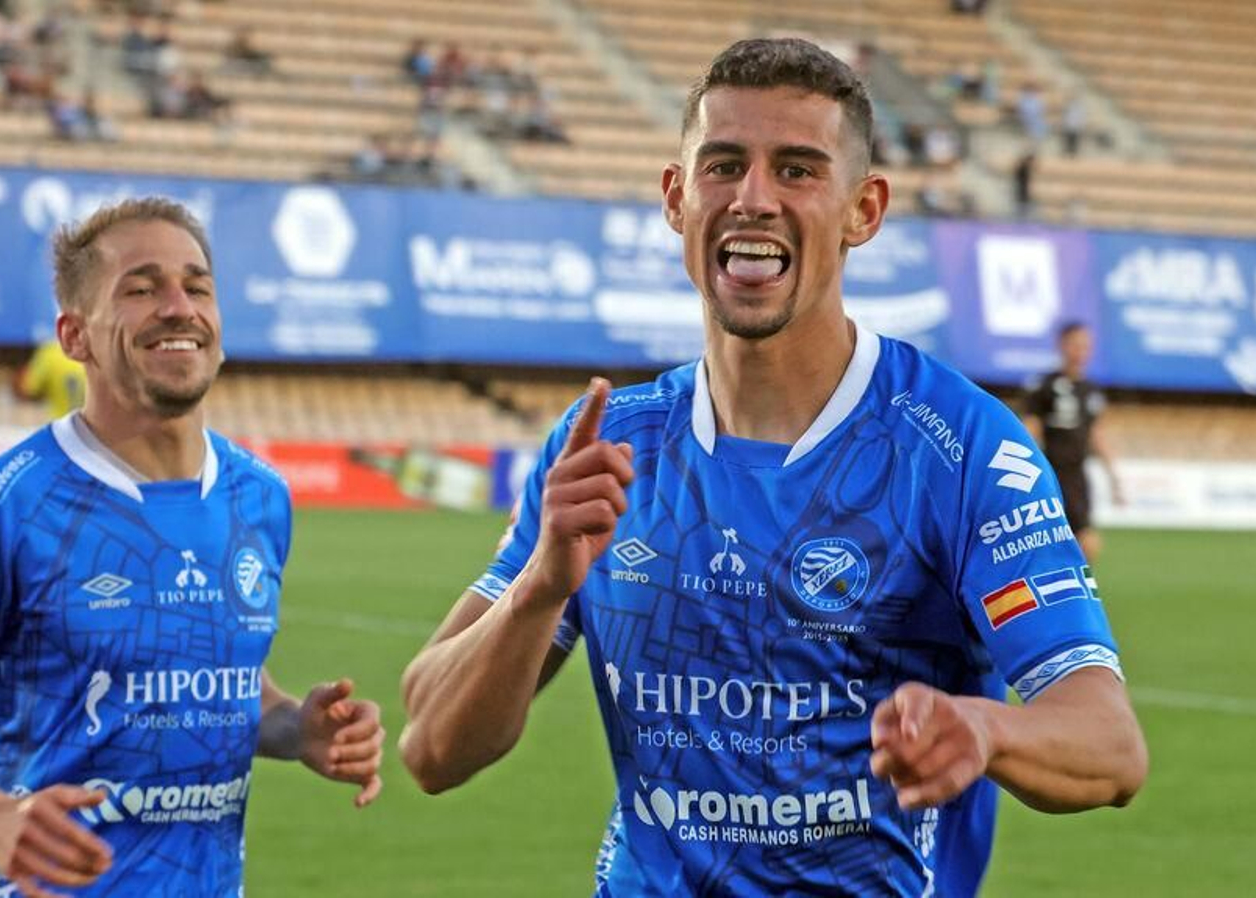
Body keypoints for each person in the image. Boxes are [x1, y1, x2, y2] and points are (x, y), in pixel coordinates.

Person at [399, 39, 1146, 897]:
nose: (753, 199)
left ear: (862, 210)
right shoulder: (610, 444)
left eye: (797, 170)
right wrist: (540, 585)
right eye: (724, 165)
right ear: (678, 198)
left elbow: (1109, 745)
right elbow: (431, 746)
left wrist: (985, 730)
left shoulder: (961, 447)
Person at [0, 198, 385, 898]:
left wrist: (292, 728)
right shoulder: (7, 504)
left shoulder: (260, 497)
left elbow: (215, 680)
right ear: (75, 335)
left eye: (197, 285)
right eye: (141, 288)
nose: (179, 307)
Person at [1023, 322, 1124, 564]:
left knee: (1087, 544)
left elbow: (1097, 435)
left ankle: (1070, 595)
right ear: (1062, 346)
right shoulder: (1043, 386)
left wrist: (1114, 477)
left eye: (1086, 346)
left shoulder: (1091, 391)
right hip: (1049, 474)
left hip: (1077, 477)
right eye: (1076, 345)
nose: (1081, 351)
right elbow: (1030, 431)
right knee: (1043, 544)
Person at [16, 335, 87, 418]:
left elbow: (27, 389)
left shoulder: (50, 353)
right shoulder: (95, 353)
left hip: (59, 425)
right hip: (91, 428)